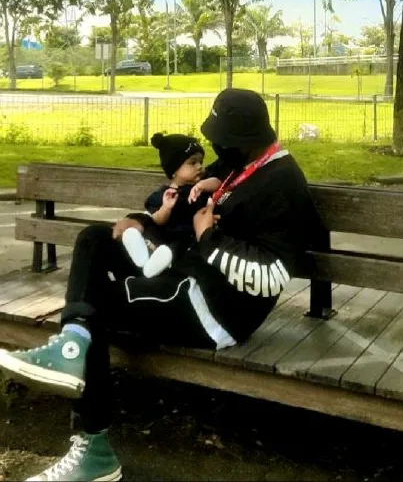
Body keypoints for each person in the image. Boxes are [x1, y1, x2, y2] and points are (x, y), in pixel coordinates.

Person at [0, 88, 321, 482]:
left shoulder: (283, 185)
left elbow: (271, 278)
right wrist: (143, 221)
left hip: (215, 311)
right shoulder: (240, 163)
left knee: (97, 306)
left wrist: (208, 238)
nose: (216, 147)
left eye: (222, 139)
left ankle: (94, 448)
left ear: (244, 138)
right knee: (96, 240)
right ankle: (73, 339)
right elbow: (185, 202)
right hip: (181, 273)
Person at [120, 131, 223, 277]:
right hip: (164, 234)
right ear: (174, 170)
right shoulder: (164, 195)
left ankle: (156, 261)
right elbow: (157, 220)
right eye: (192, 163)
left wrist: (203, 185)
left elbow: (218, 183)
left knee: (179, 246)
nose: (199, 166)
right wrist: (166, 208)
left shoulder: (200, 187)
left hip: (186, 238)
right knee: (151, 229)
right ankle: (144, 255)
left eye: (200, 161)